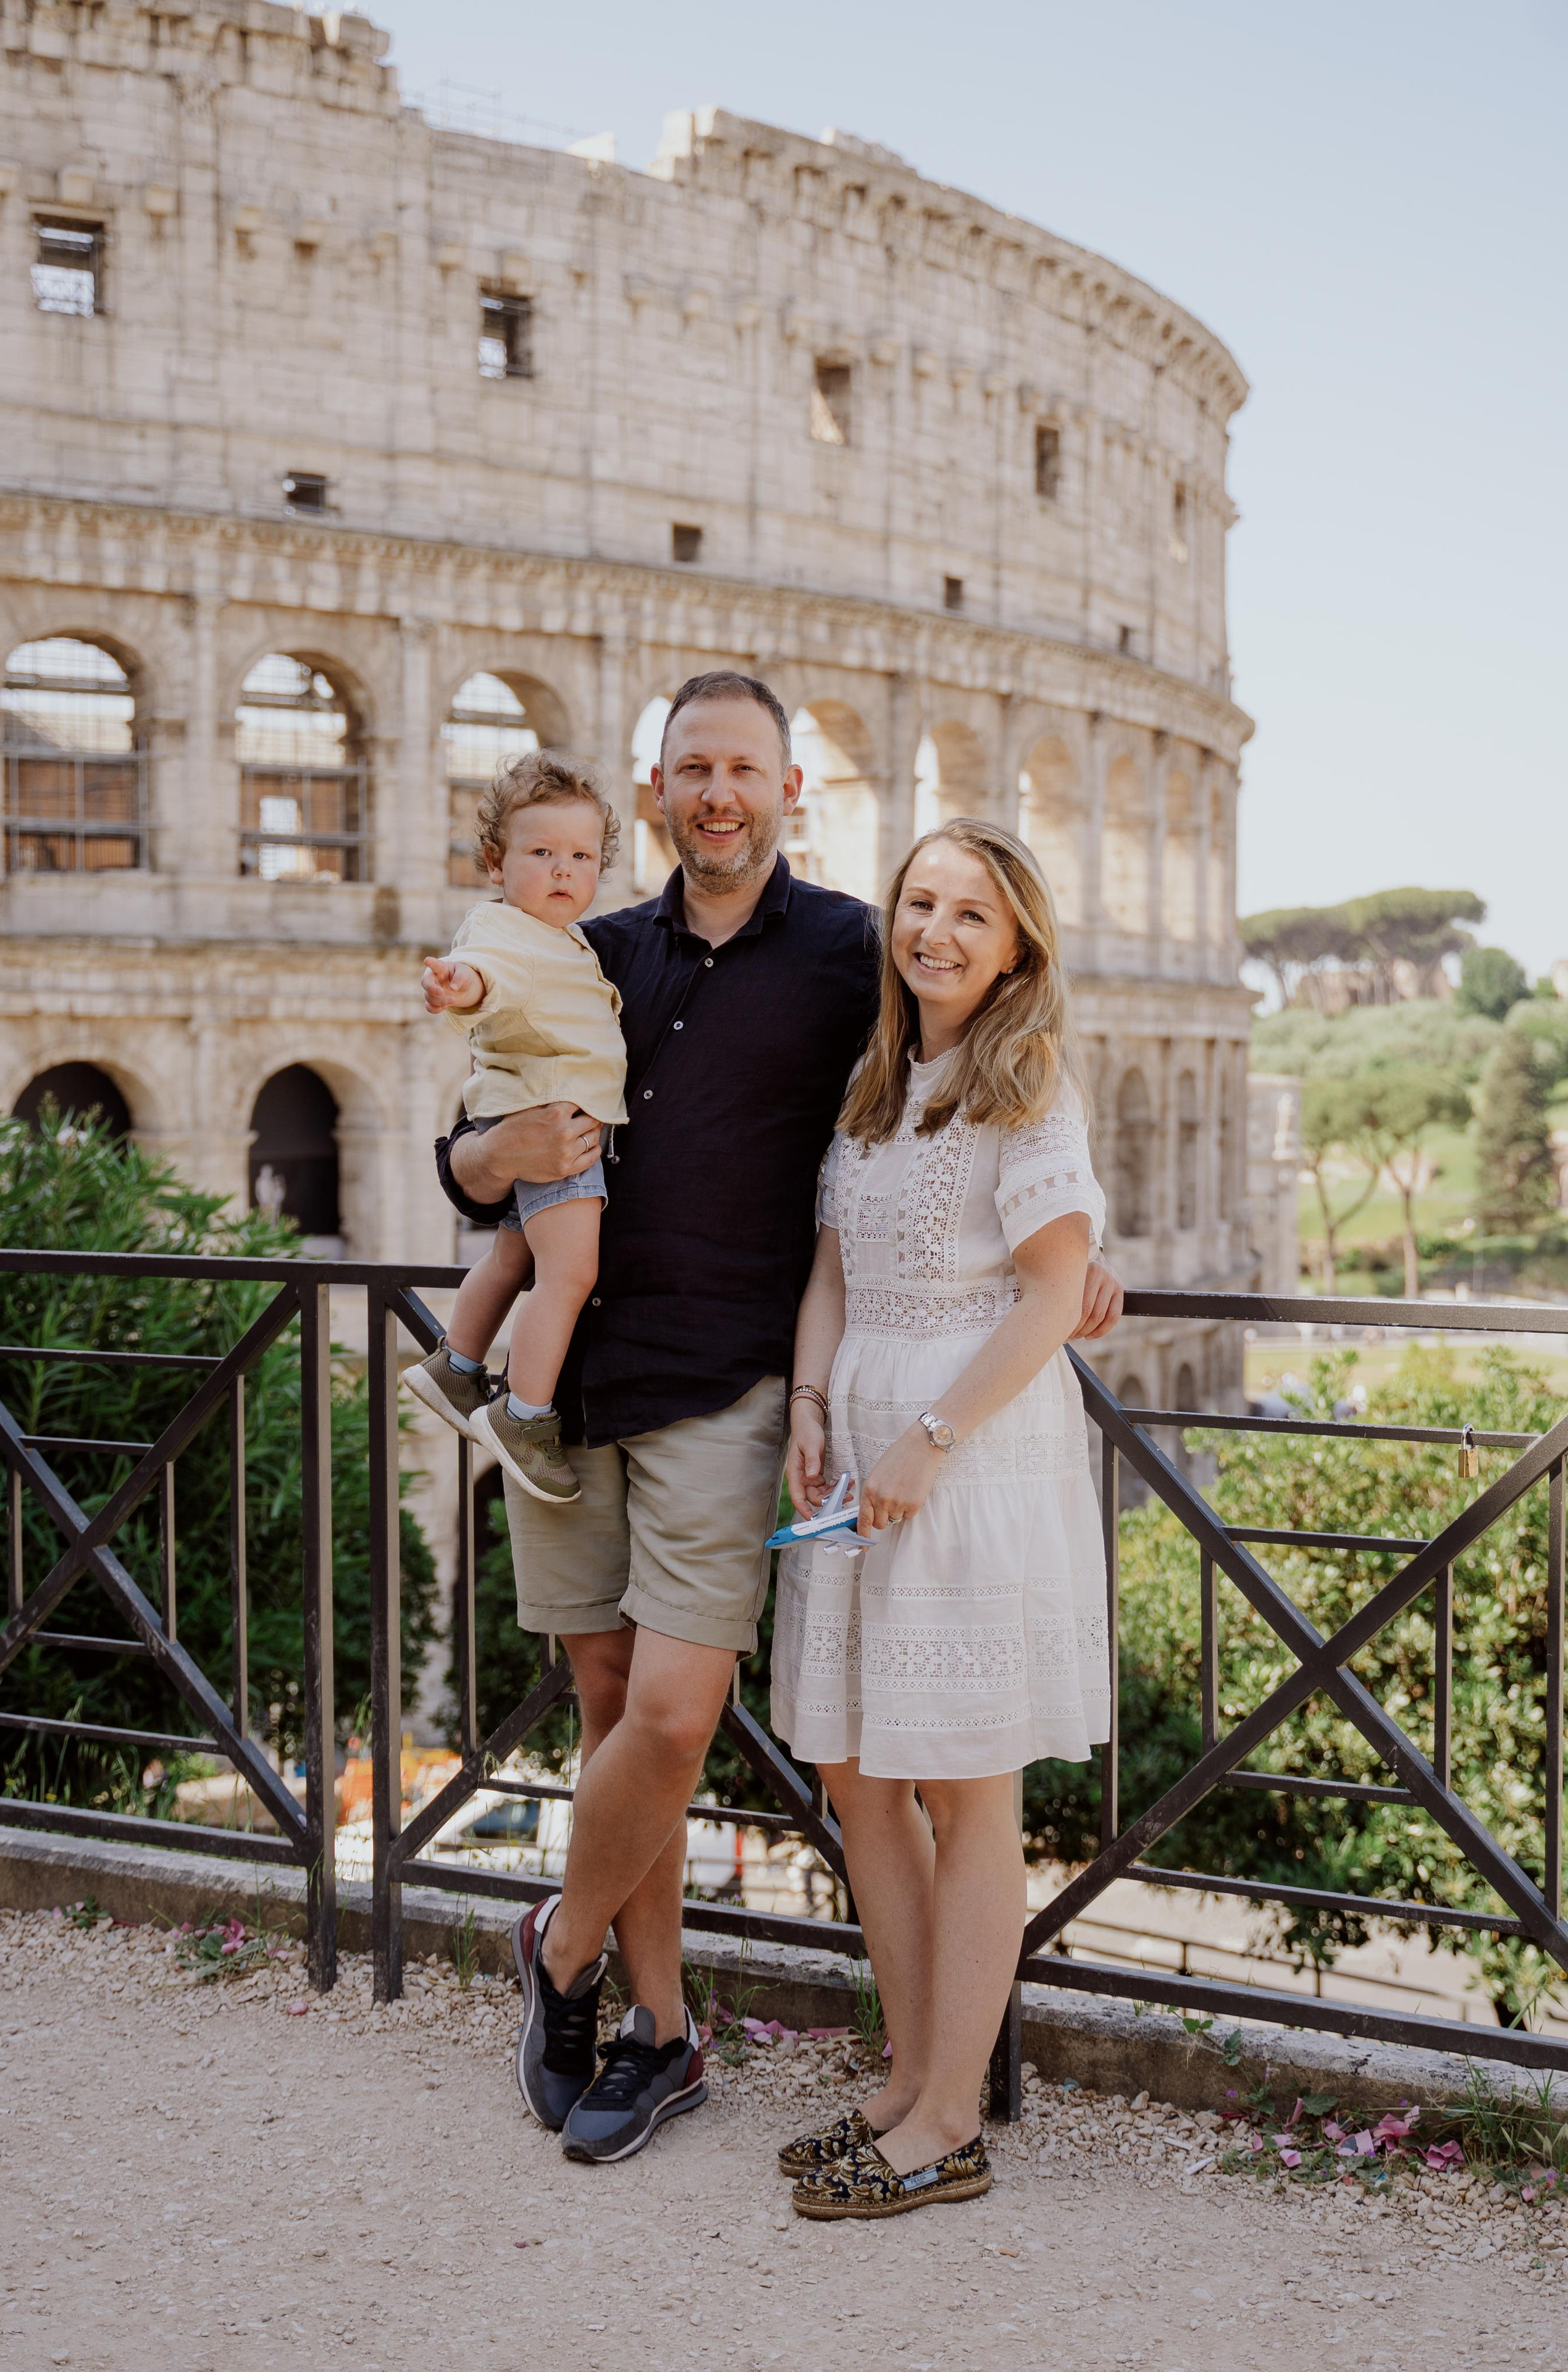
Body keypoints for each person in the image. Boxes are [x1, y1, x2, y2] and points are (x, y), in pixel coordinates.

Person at [434, 674, 1123, 2168]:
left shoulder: (845, 956)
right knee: (618, 1717)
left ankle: (559, 1946)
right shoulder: (591, 948)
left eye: (743, 766)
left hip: (738, 1392)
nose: (718, 791)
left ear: (789, 787)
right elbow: (468, 1153)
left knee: (677, 1717)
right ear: (656, 787)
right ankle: (660, 2029)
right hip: (593, 1382)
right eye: (691, 768)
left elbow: (989, 1059)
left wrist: (1066, 1256)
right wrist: (500, 1144)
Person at [771, 817, 1113, 2221]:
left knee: (968, 1790)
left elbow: (1050, 1292)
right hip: (855, 1451)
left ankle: (945, 2118)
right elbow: (832, 1274)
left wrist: (926, 1435)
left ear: (1015, 940)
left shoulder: (1027, 1083)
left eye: (972, 913)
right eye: (919, 902)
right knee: (857, 1773)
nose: (937, 931)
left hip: (965, 1458)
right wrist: (808, 1400)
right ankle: (910, 2073)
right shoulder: (878, 1085)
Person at [405, 752, 627, 1506]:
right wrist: (455, 985)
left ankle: (455, 1365)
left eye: (582, 857)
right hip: (553, 1122)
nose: (564, 870)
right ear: (496, 863)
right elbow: (483, 975)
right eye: (541, 854)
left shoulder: (557, 935)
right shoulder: (508, 934)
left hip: (525, 1109)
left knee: (511, 1257)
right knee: (570, 1275)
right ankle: (525, 1414)